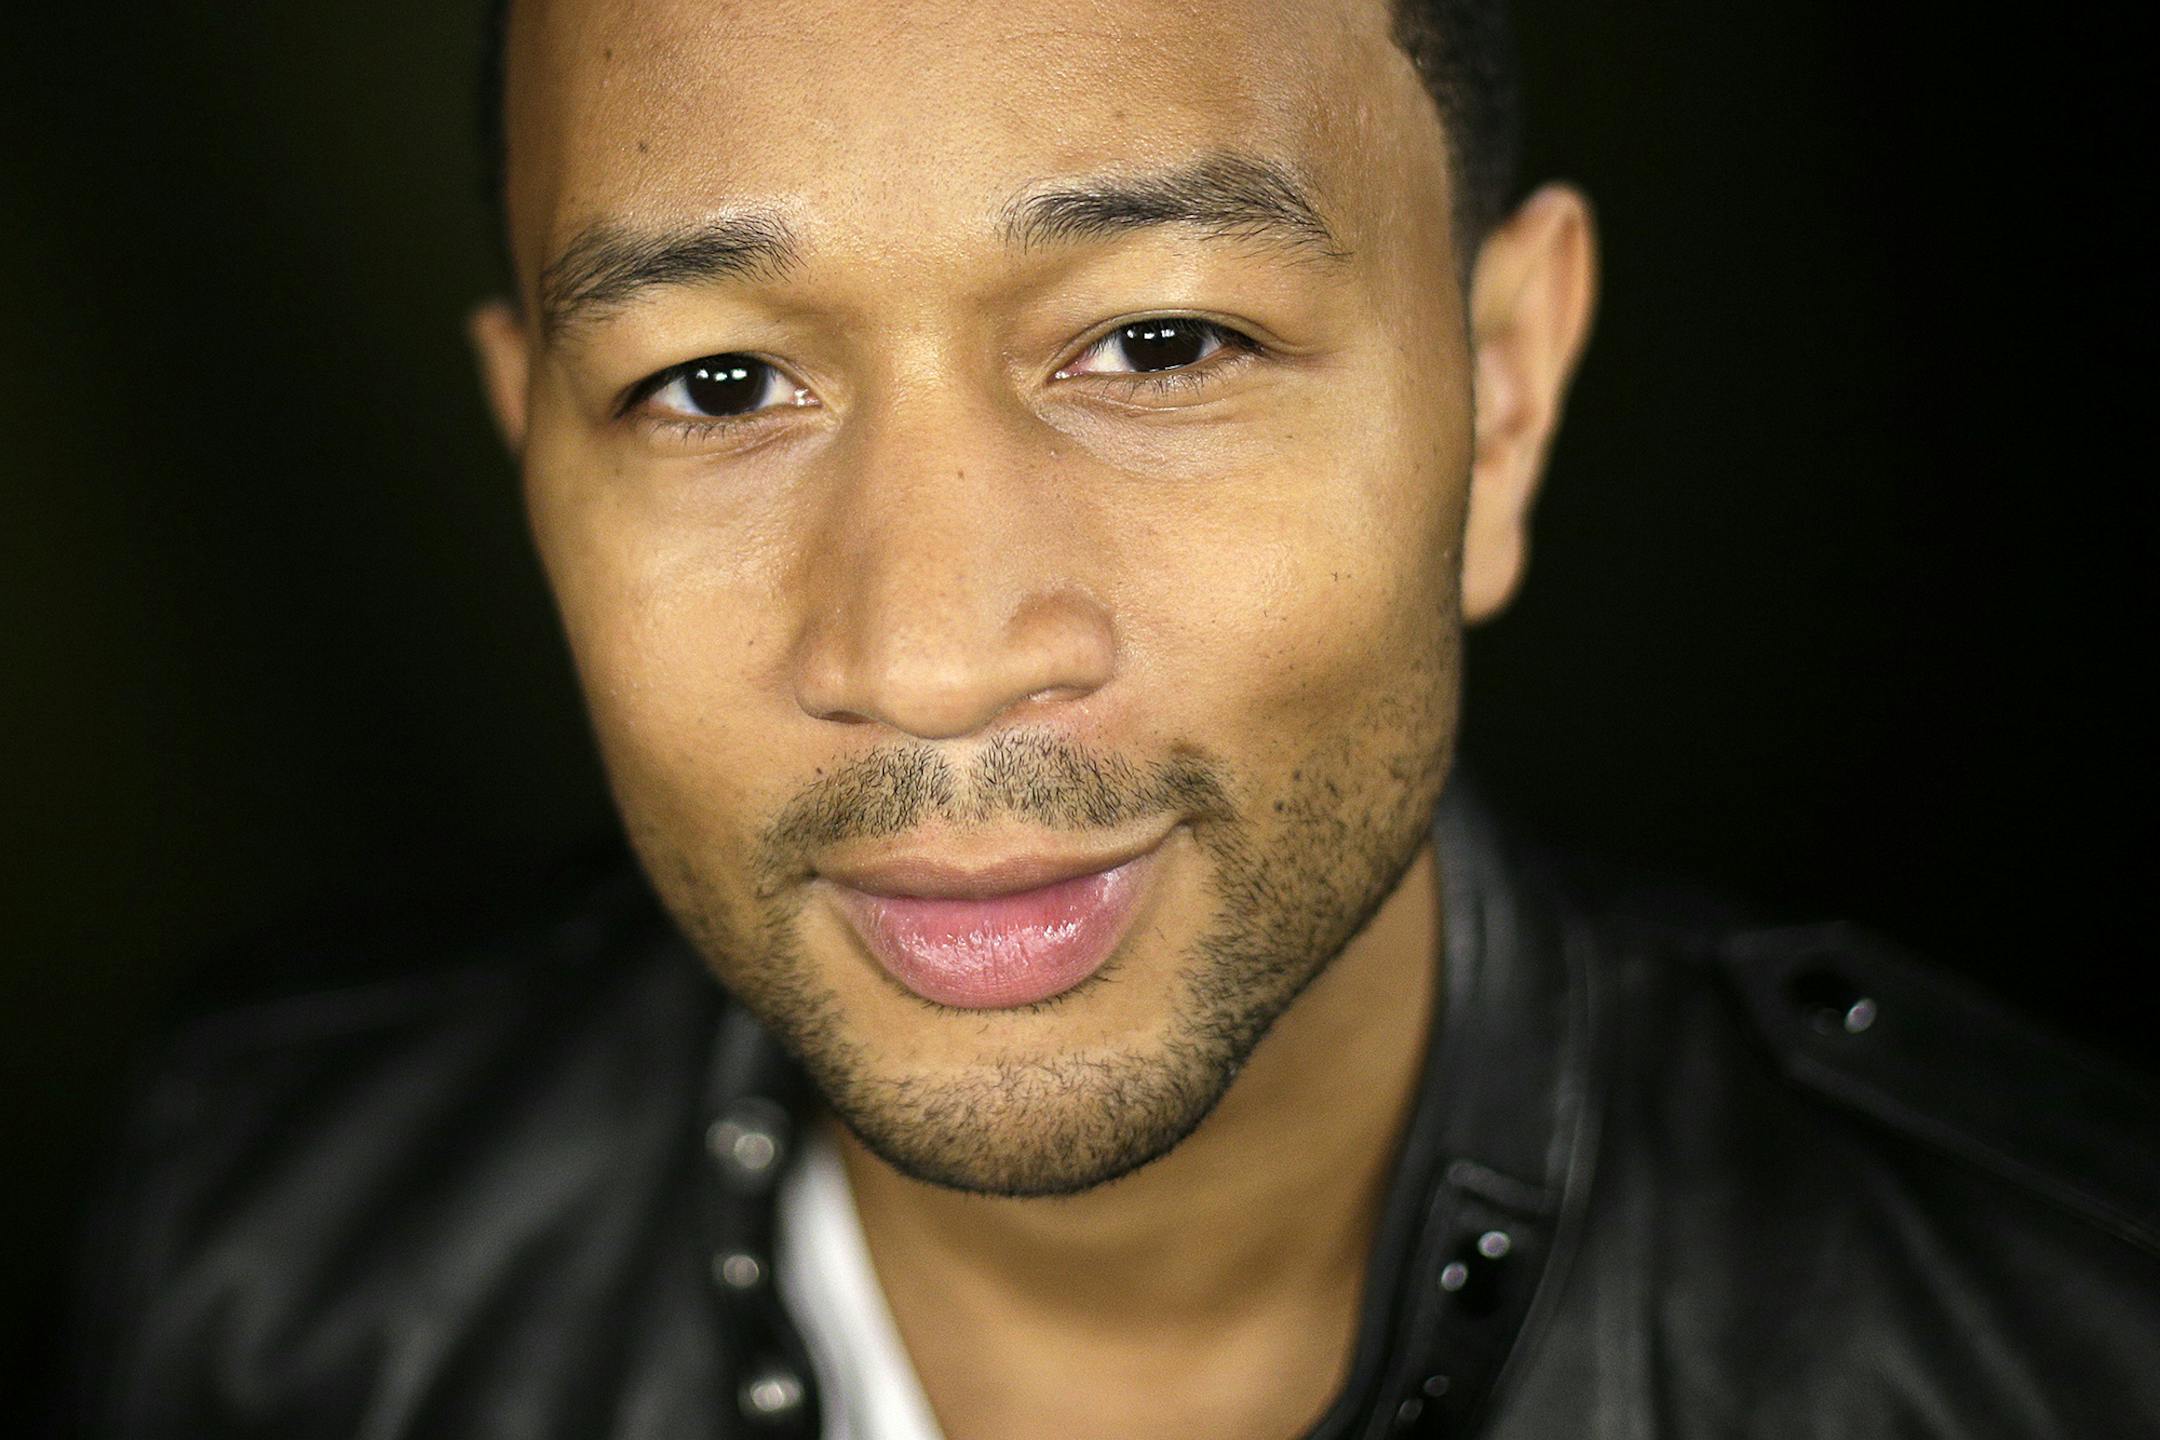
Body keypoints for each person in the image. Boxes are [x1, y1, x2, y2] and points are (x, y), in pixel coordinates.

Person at [63, 0, 2159, 1436]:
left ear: (1502, 396)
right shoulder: (268, 1246)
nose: (933, 652)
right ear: (529, 454)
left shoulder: (2066, 1347)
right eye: (716, 384)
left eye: (1158, 345)